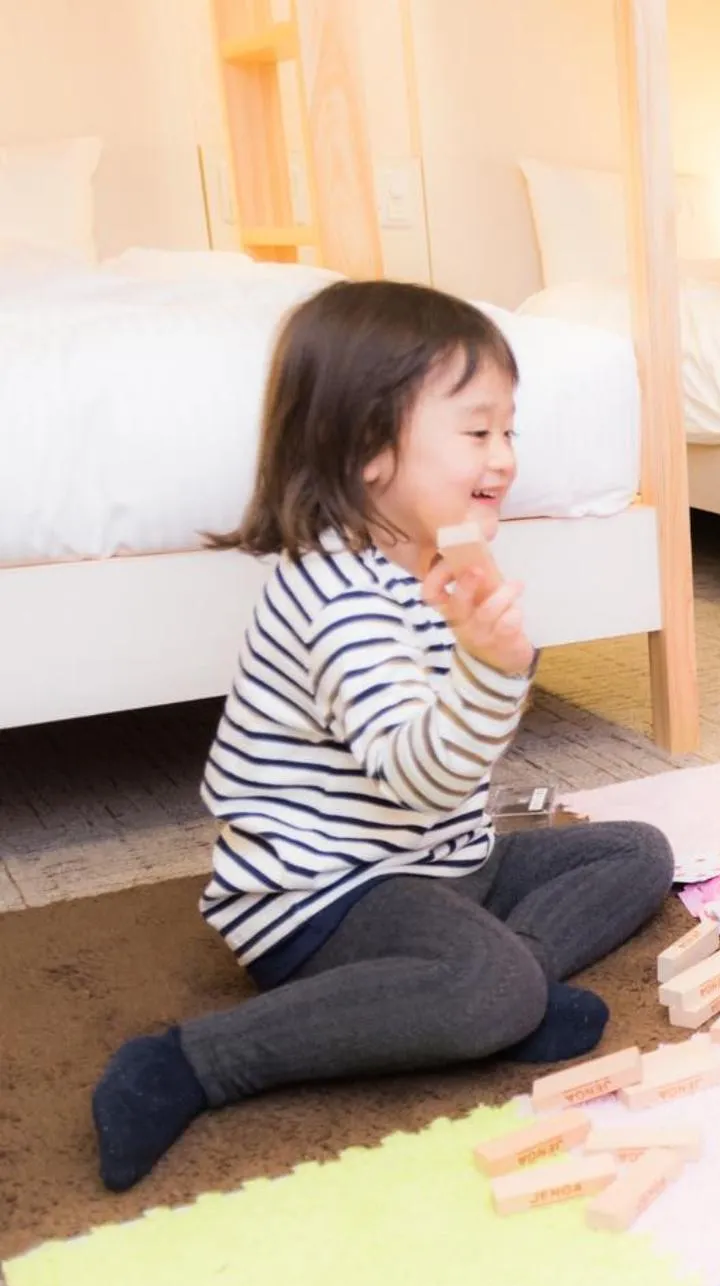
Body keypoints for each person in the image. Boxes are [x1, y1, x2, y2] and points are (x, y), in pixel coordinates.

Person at [90, 281, 671, 1191]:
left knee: (637, 851)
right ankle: (195, 1061)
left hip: (437, 861)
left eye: (508, 430)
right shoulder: (339, 599)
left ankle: (500, 988)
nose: (505, 457)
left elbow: (454, 777)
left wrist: (491, 660)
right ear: (367, 450)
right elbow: (423, 778)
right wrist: (491, 665)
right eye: (477, 432)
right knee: (486, 987)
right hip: (322, 894)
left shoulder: (429, 566)